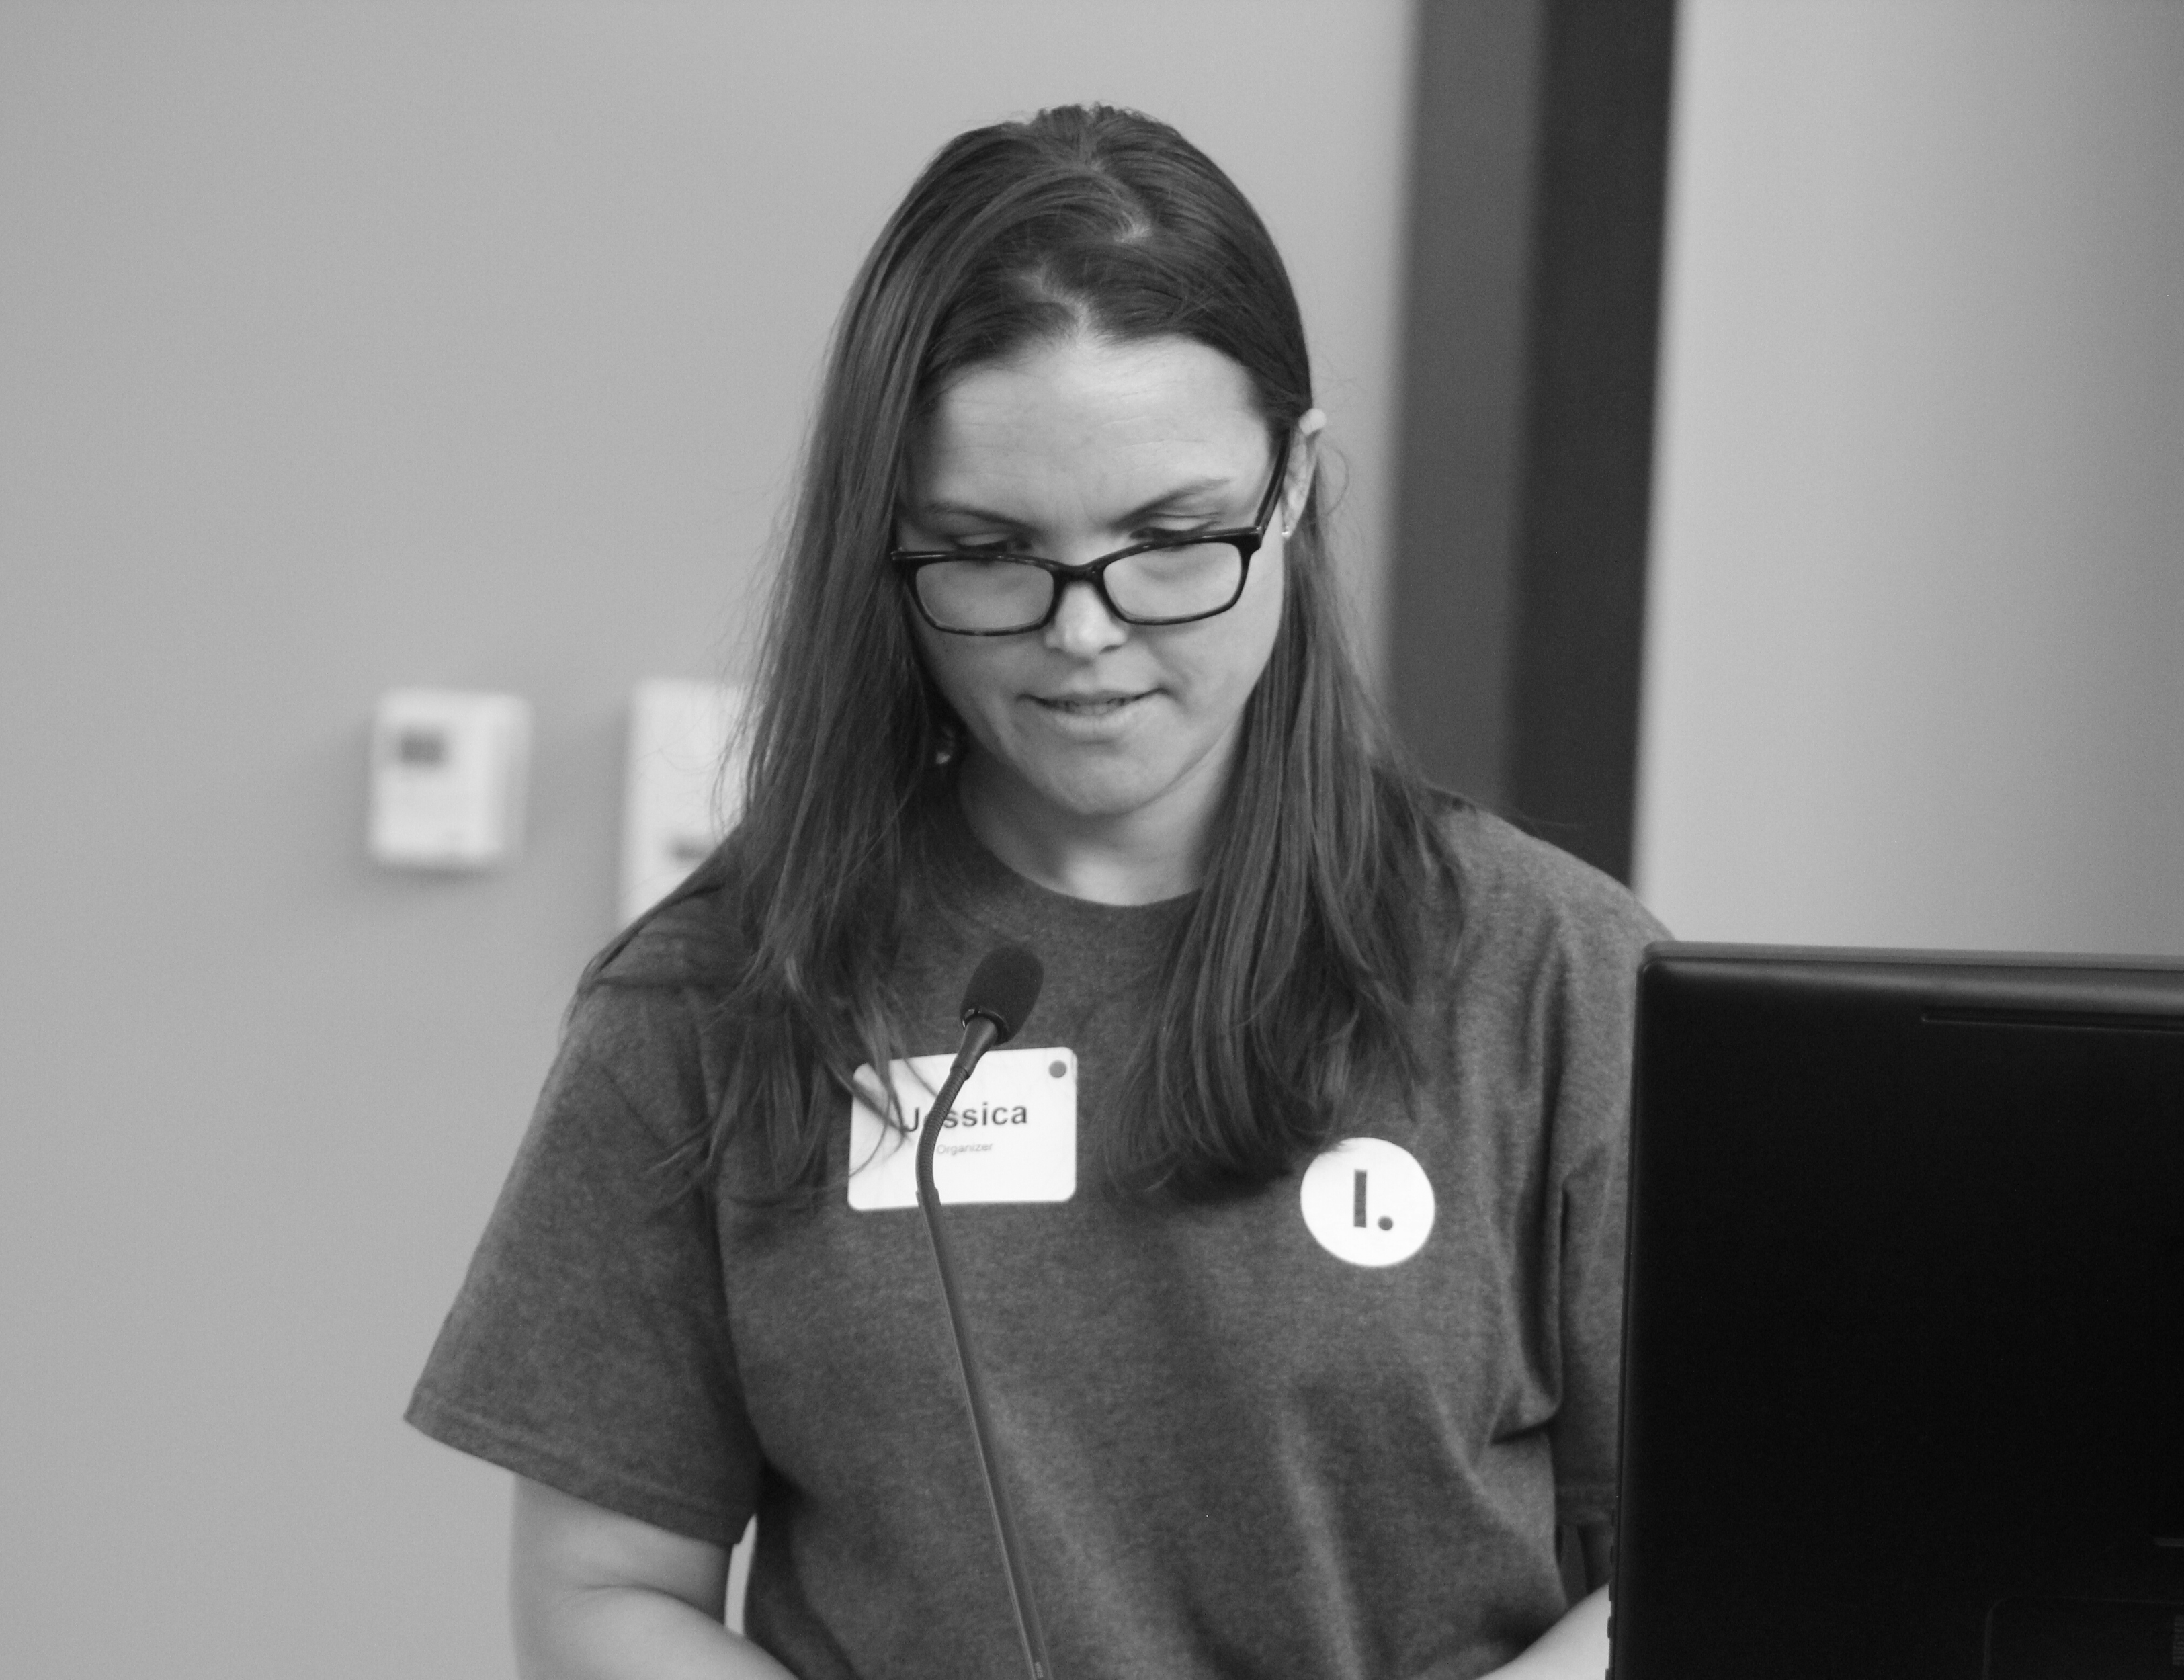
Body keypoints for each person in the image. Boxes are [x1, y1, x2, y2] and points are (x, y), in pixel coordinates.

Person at [408, 103, 1663, 1680]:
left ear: (1291, 487)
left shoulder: (1552, 974)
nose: (1083, 632)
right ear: (887, 538)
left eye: (1168, 538)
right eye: (990, 551)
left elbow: (1705, 1575)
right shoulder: (718, 996)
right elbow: (604, 1597)